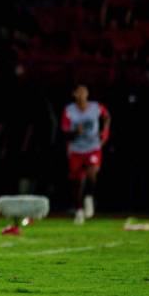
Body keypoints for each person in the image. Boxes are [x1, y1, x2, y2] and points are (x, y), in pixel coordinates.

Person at [61, 84, 110, 224]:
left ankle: (89, 197)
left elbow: (106, 116)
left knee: (92, 172)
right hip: (76, 149)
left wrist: (105, 133)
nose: (82, 95)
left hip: (92, 146)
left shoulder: (95, 107)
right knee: (77, 182)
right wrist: (76, 132)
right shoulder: (69, 110)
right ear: (74, 94)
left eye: (84, 92)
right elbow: (64, 132)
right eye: (79, 92)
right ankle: (79, 209)